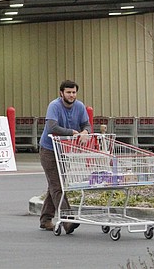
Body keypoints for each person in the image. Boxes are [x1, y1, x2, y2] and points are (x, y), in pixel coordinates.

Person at [38, 79, 90, 234]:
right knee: (57, 185)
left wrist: (85, 132)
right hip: (49, 149)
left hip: (64, 150)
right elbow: (52, 126)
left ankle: (45, 219)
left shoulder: (79, 106)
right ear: (61, 93)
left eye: (74, 92)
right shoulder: (54, 106)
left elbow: (86, 124)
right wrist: (72, 132)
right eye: (68, 92)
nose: (71, 95)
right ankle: (68, 220)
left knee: (55, 184)